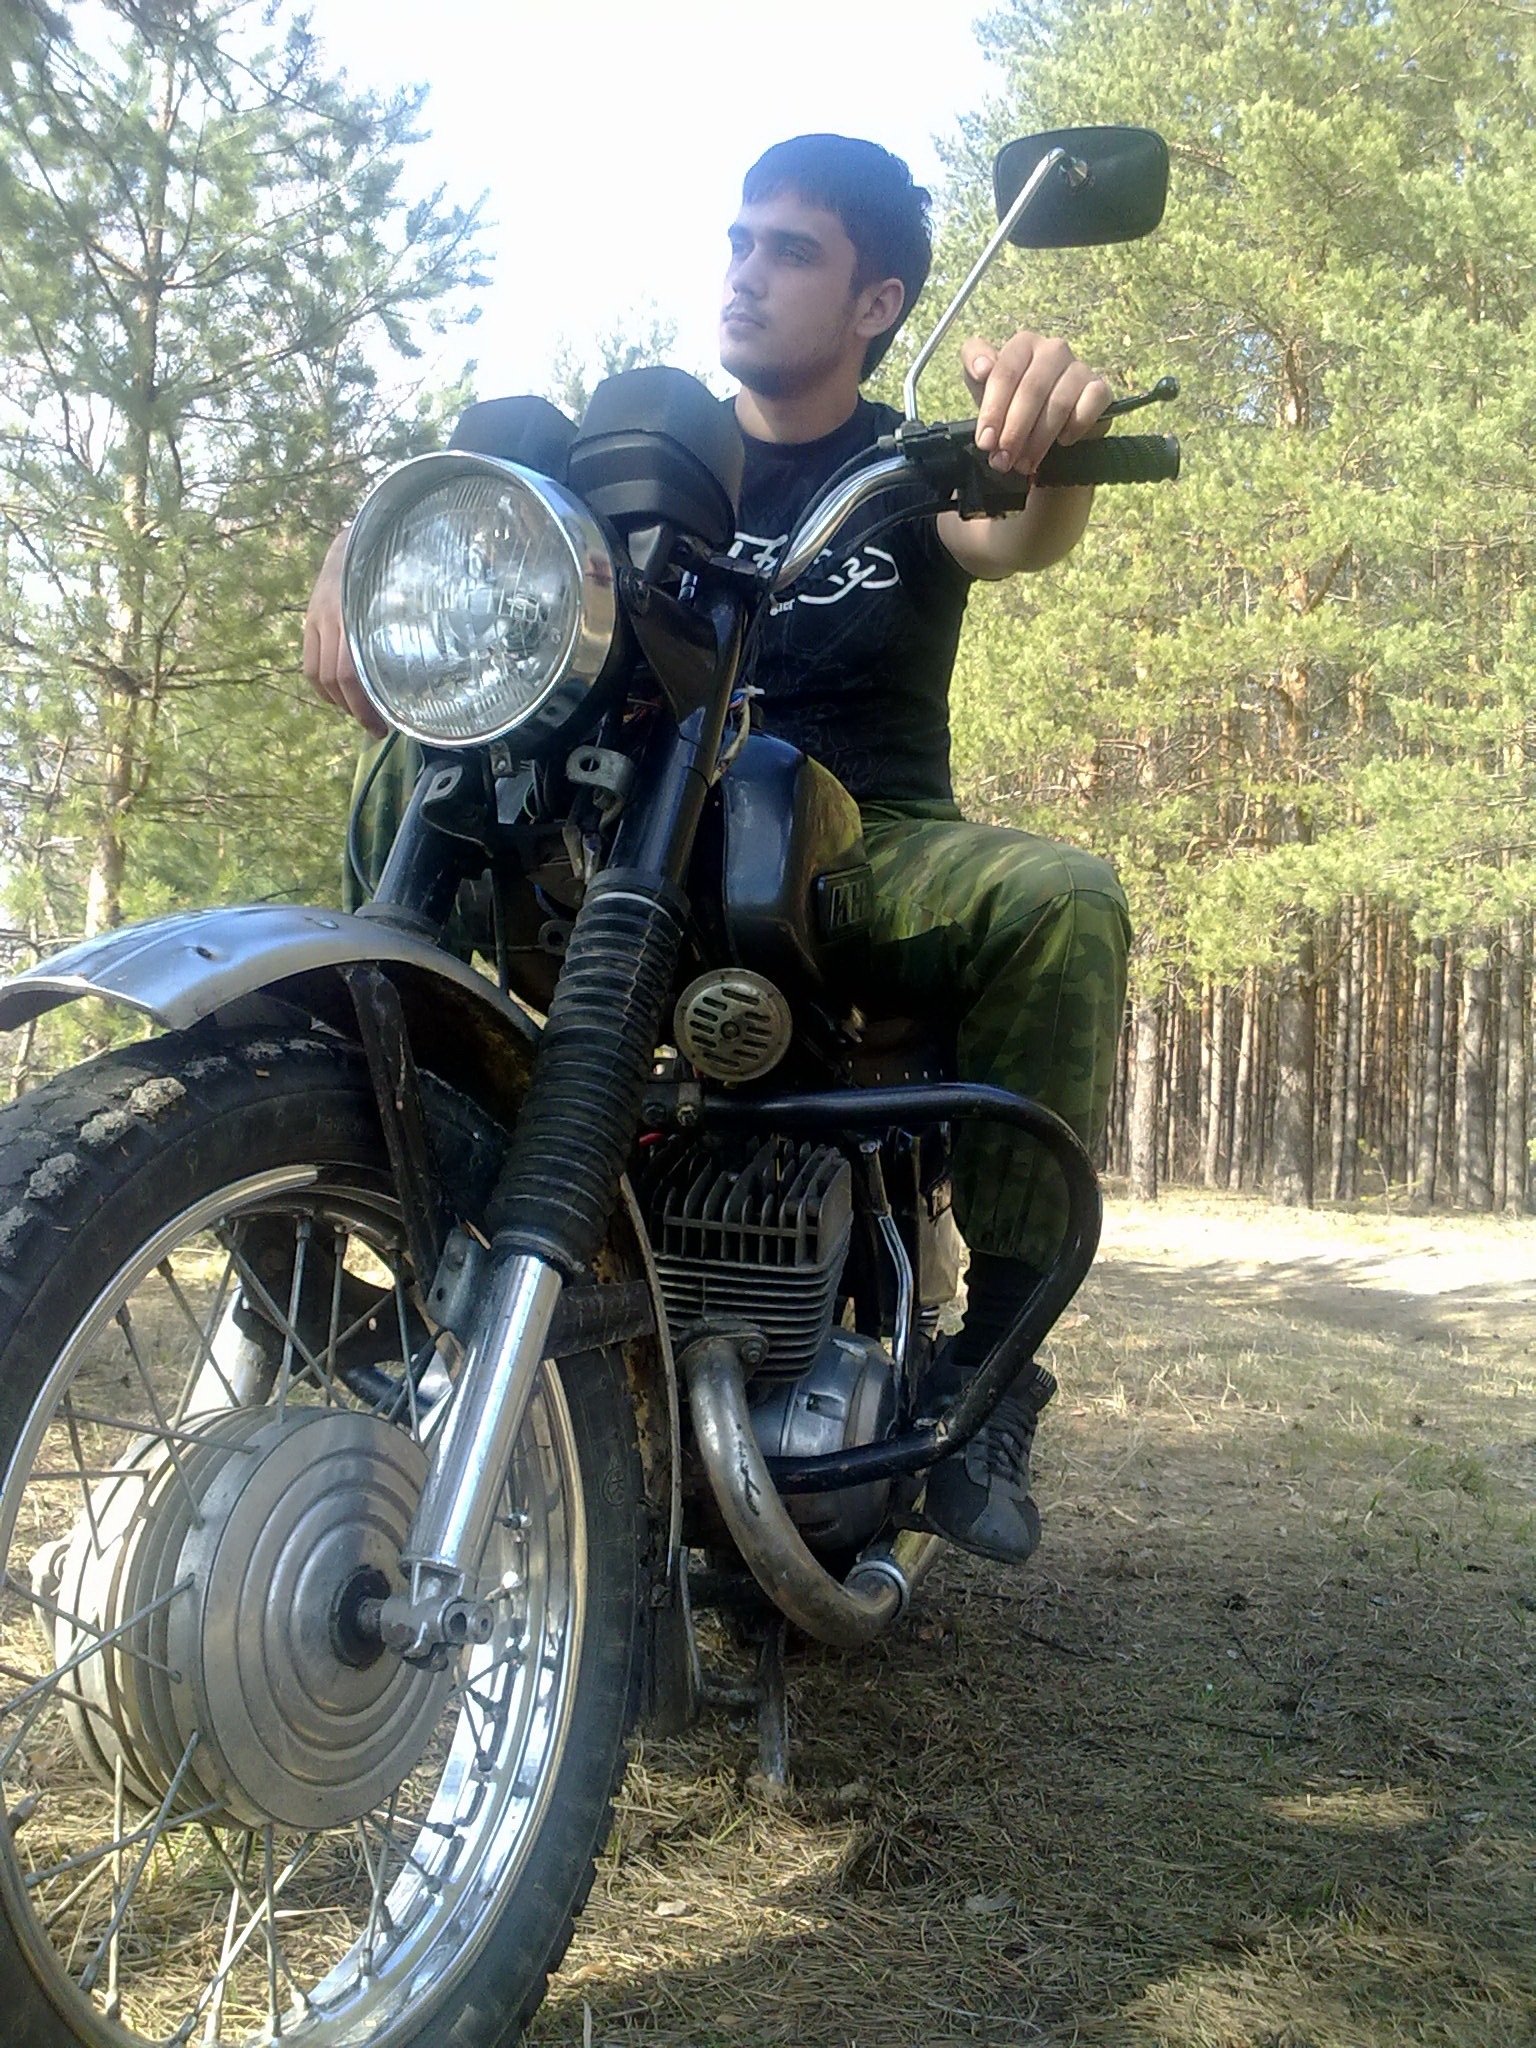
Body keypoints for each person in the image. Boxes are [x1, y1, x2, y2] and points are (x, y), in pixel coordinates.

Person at [303, 134, 1131, 1567]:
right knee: (415, 775)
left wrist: (1042, 446)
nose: (745, 273)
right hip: (630, 838)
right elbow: (480, 563)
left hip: (856, 845)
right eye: (739, 242)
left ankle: (993, 1368)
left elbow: (1016, 534)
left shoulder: (907, 464)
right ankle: (353, 1191)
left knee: (1065, 899)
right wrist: (367, 546)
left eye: (790, 252)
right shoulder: (636, 475)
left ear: (877, 302)